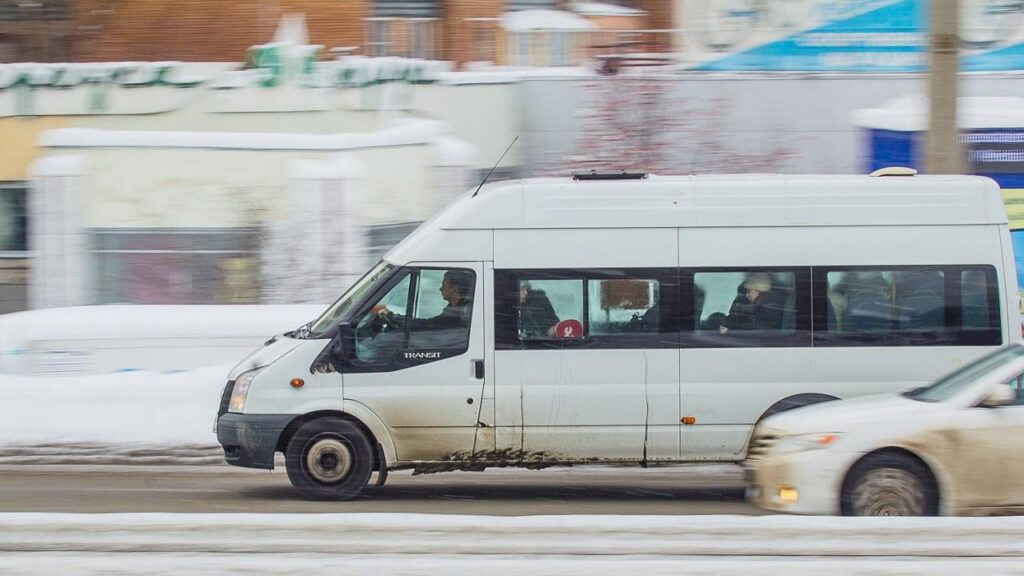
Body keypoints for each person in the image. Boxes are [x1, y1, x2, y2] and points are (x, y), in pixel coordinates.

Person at [372, 270, 474, 331]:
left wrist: (392, 317)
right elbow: (429, 324)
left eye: (444, 286)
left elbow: (427, 326)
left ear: (454, 289)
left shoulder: (460, 313)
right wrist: (394, 318)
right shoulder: (454, 308)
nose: (440, 289)